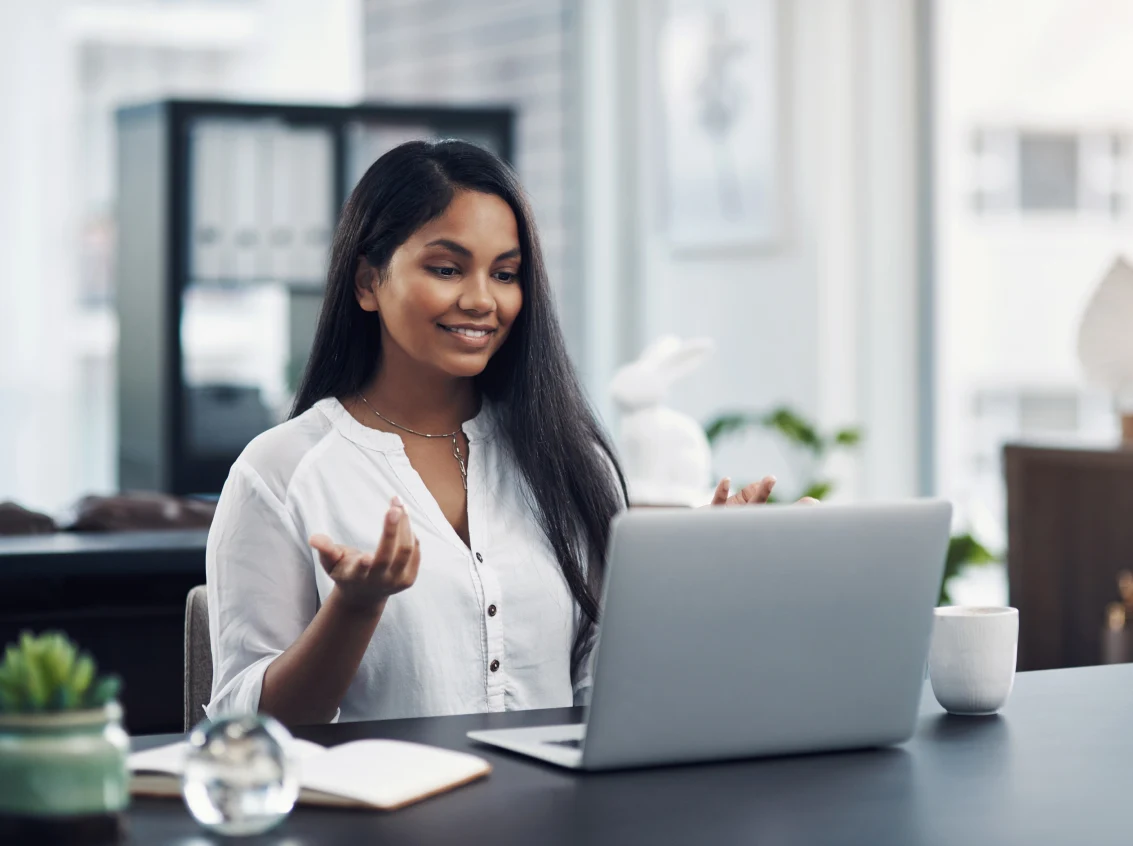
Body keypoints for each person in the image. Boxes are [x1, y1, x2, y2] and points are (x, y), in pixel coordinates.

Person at [205, 140, 781, 726]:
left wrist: (707, 581)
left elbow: (608, 689)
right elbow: (242, 730)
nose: (483, 300)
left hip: (560, 814)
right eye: (447, 268)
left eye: (505, 274)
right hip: (375, 815)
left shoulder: (570, 459)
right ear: (367, 283)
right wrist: (355, 608)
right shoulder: (279, 472)